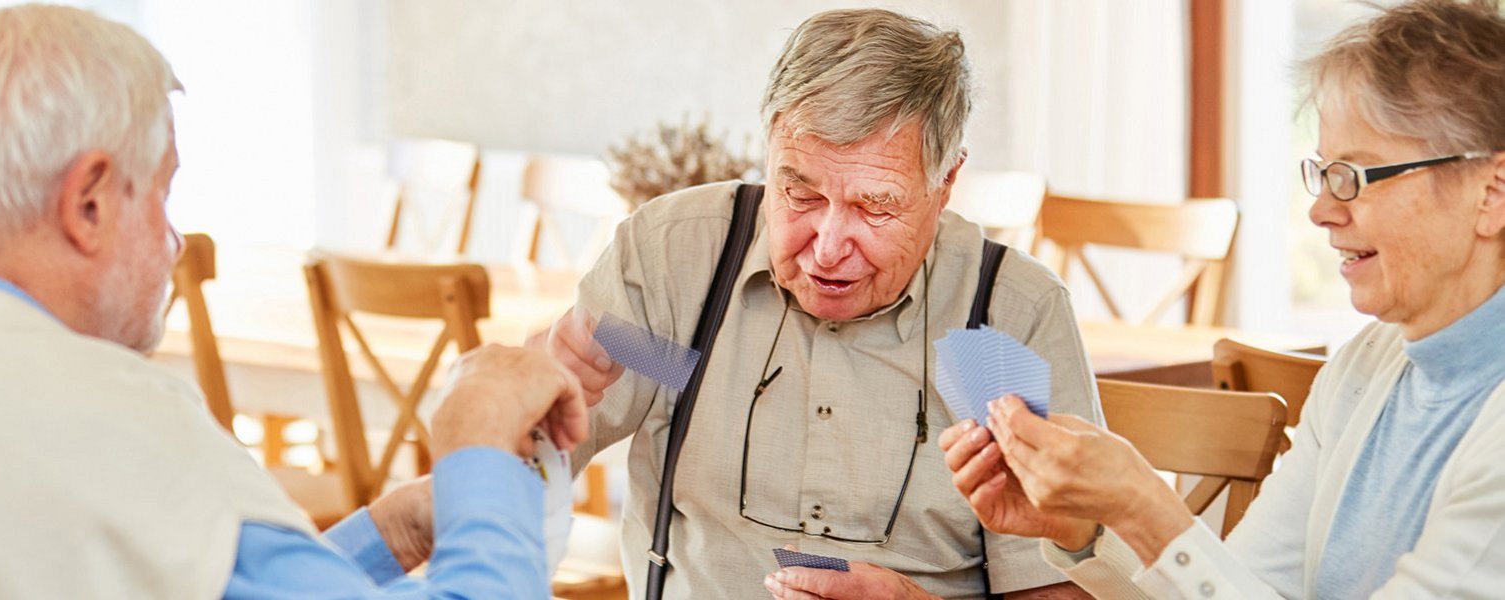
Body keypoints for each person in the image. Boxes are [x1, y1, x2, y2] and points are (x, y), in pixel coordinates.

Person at [0, 5, 586, 598]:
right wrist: (475, 446)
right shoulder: (89, 419)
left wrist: (387, 536)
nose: (175, 243)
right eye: (164, 195)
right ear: (91, 202)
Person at [939, 1, 1505, 597]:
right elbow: (1248, 587)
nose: (1321, 211)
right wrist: (1087, 528)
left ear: (1491, 192)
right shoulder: (1368, 363)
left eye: (1357, 177)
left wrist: (1144, 506)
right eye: (1324, 172)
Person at [534, 8, 1097, 598]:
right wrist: (536, 401)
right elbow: (565, 431)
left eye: (875, 207)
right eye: (799, 192)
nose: (826, 250)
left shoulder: (1003, 324)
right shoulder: (684, 267)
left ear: (945, 183)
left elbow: (1055, 588)